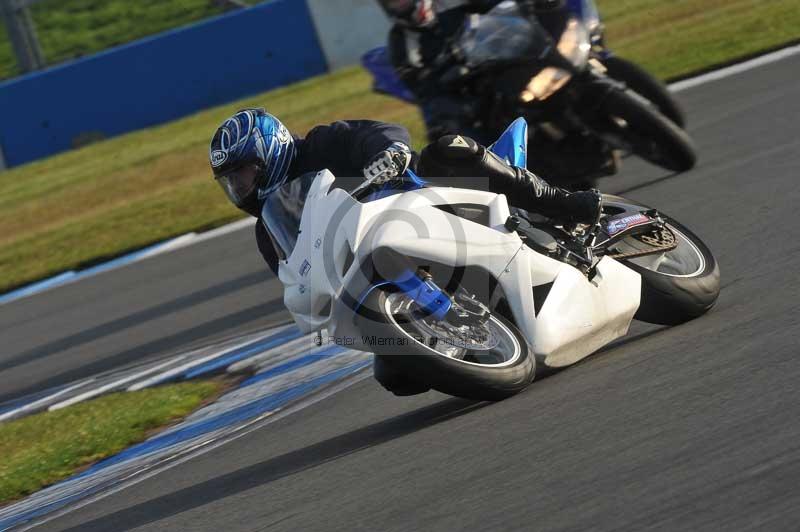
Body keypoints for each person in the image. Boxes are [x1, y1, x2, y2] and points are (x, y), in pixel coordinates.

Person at [209, 108, 600, 275]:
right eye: (232, 182)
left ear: (269, 149)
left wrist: (389, 154)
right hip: (381, 261)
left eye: (243, 174)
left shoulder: (323, 143)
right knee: (397, 376)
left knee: (449, 148)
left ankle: (559, 203)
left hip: (422, 197)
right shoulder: (268, 231)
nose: (240, 188)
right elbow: (297, 281)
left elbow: (378, 133)